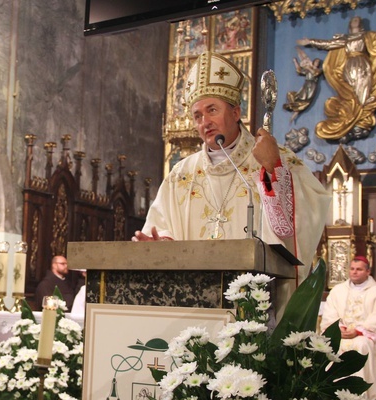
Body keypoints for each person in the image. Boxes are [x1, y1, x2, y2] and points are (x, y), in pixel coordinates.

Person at [134, 50, 330, 289]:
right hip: (195, 294)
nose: (204, 122)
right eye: (197, 116)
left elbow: (302, 218)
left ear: (236, 113)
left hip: (254, 299)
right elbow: (162, 227)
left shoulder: (273, 157)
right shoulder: (181, 174)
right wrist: (163, 244)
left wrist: (273, 169)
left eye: (212, 110)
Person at [298, 17, 376, 141]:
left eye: (357, 20)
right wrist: (311, 41)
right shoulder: (345, 39)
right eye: (353, 20)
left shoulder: (367, 36)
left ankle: (359, 115)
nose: (355, 20)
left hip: (362, 64)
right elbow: (328, 44)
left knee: (363, 89)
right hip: (349, 66)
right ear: (350, 26)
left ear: (361, 26)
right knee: (350, 92)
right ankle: (353, 114)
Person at [321, 256, 376, 400]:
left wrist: (358, 331)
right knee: (332, 345)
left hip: (366, 335)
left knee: (362, 345)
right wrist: (339, 329)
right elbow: (330, 314)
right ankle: (334, 394)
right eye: (352, 269)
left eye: (359, 269)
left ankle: (365, 396)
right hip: (342, 334)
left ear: (368, 271)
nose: (354, 272)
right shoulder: (338, 291)